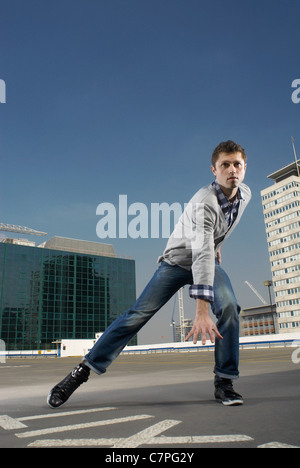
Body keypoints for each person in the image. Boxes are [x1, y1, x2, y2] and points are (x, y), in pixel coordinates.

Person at [47, 140, 251, 409]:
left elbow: (215, 236)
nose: (232, 170)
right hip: (177, 262)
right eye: (225, 165)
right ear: (214, 170)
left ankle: (224, 381)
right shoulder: (205, 202)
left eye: (237, 164)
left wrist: (218, 246)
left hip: (207, 260)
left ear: (245, 167)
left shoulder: (245, 193)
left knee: (229, 308)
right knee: (136, 316)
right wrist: (201, 310)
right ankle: (80, 372)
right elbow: (200, 252)